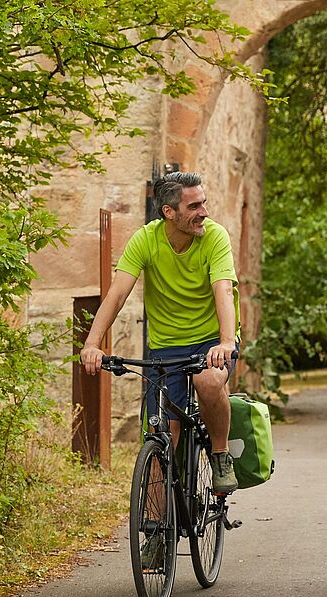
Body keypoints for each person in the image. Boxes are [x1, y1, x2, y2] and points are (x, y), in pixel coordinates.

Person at [80, 171, 239, 495]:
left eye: (203, 203)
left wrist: (225, 342)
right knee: (163, 435)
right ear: (169, 212)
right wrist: (92, 344)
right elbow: (117, 295)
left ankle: (220, 454)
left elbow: (223, 291)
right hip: (167, 346)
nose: (204, 212)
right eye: (194, 206)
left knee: (208, 382)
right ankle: (155, 532)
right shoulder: (146, 240)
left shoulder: (215, 237)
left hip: (211, 340)